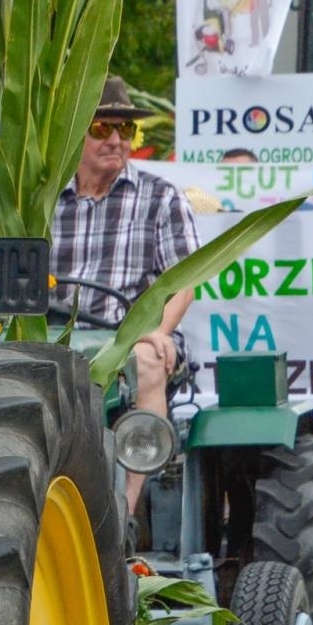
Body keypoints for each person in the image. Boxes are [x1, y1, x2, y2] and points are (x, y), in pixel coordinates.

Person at [50, 78, 199, 517]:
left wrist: (158, 330)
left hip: (125, 334)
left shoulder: (160, 196)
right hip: (57, 333)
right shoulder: (44, 202)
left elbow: (184, 282)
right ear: (76, 134)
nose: (116, 140)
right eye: (102, 129)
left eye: (125, 130)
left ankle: (123, 517)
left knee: (149, 358)